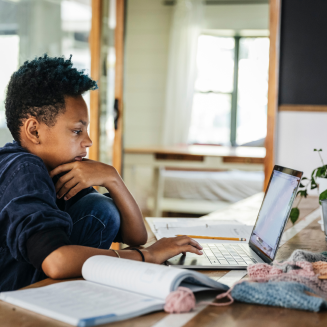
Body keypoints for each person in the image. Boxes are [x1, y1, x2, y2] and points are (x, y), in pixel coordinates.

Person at [0, 55, 203, 292]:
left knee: (101, 207)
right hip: (12, 298)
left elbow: (135, 235)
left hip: (37, 281)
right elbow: (57, 261)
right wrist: (145, 256)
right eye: (77, 131)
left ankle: (86, 285)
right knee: (100, 209)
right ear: (34, 130)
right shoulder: (24, 169)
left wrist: (112, 178)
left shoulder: (57, 168)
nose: (88, 141)